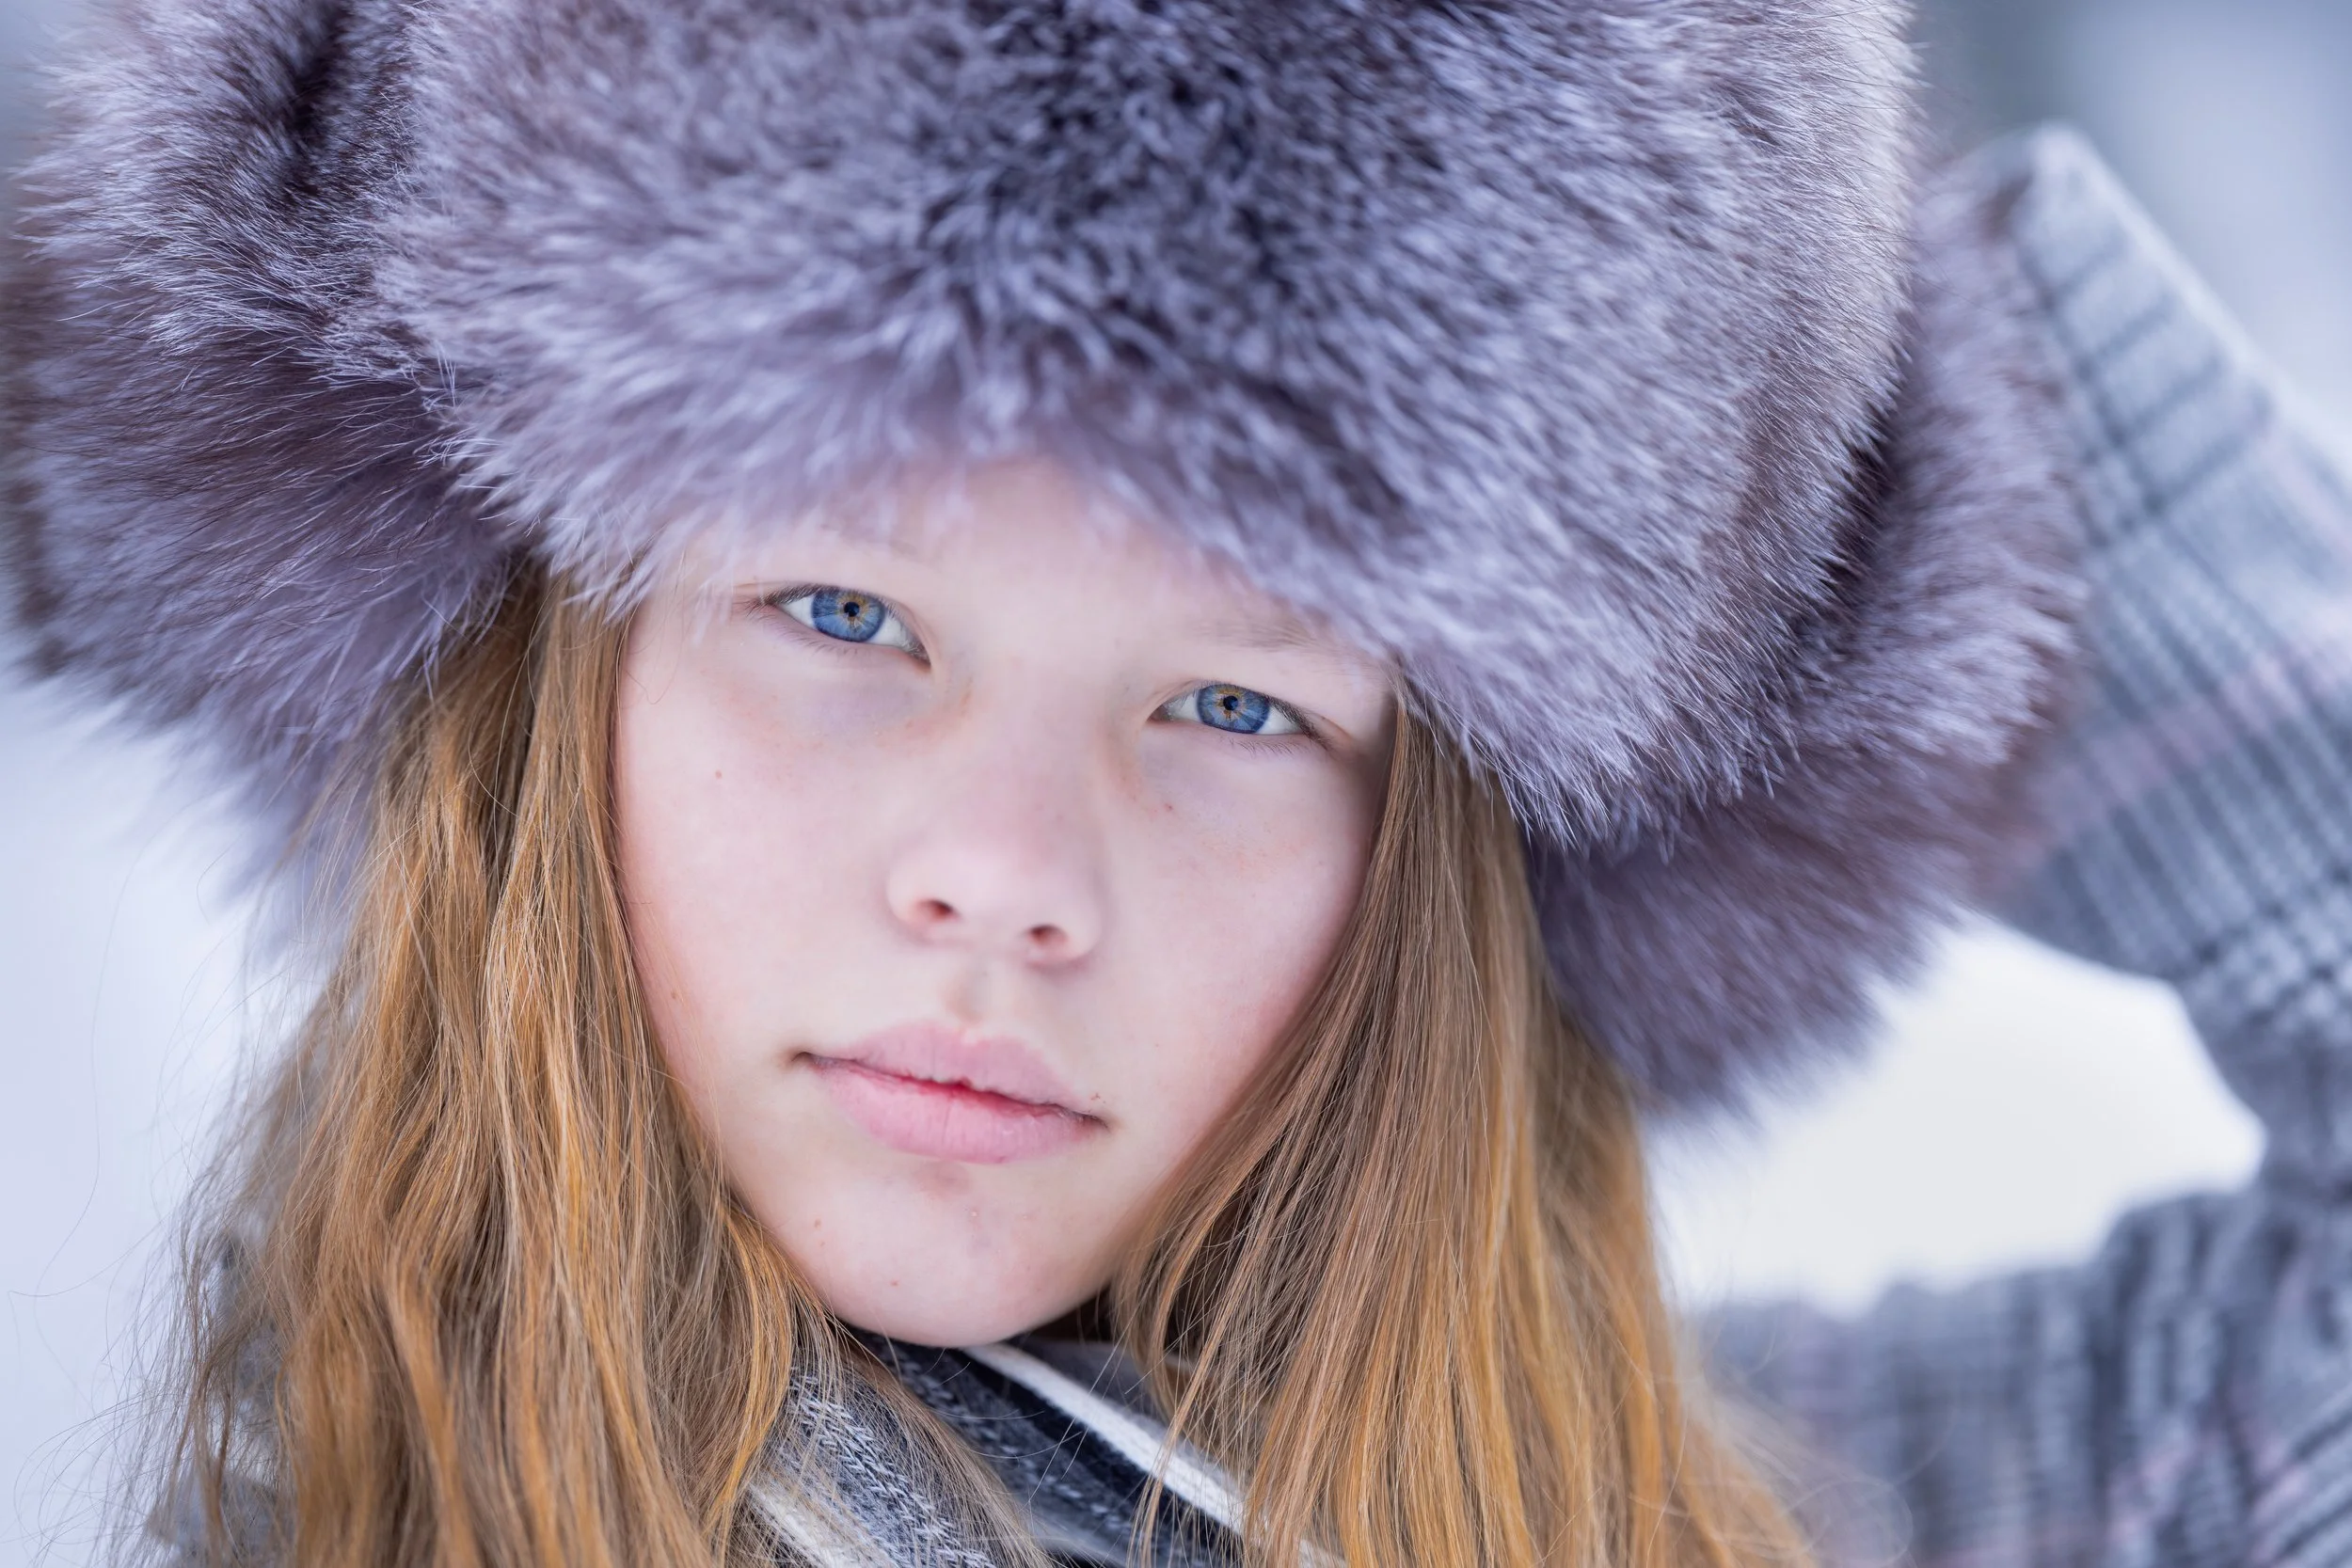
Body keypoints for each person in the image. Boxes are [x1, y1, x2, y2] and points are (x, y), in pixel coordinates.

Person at [3, 2, 2344, 1566]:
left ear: (1450, 851)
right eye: (844, 618)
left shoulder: (1700, 1511)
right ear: (526, 684)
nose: (1009, 878)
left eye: (1234, 708)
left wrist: (1877, 428)